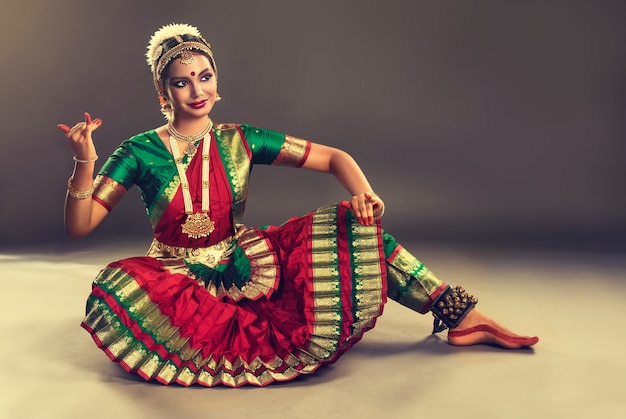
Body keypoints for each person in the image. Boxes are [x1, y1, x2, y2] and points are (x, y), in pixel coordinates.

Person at [58, 23, 538, 388]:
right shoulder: (138, 152)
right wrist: (85, 161)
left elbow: (335, 158)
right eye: (183, 82)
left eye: (205, 76)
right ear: (164, 92)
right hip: (179, 278)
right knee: (118, 283)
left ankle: (459, 316)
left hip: (247, 262)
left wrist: (364, 194)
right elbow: (81, 225)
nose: (198, 90)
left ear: (217, 81)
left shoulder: (241, 140)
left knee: (358, 228)